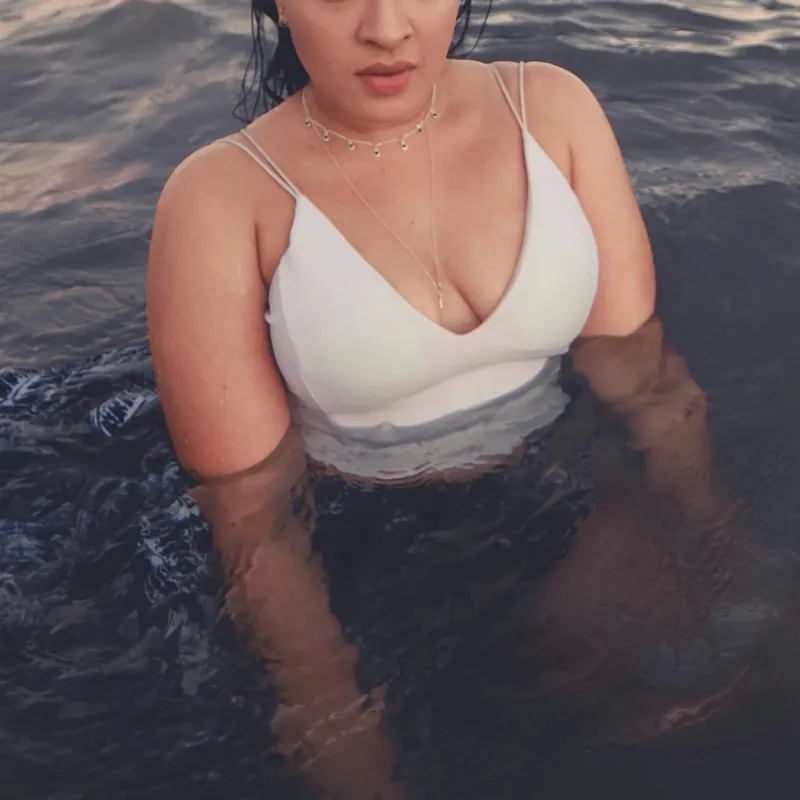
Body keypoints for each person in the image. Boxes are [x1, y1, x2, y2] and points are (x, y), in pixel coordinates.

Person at [144, 0, 742, 796]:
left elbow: (641, 370)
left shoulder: (550, 109)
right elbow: (253, 514)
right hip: (365, 547)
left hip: (553, 483)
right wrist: (326, 708)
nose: (387, 28)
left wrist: (703, 534)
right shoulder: (220, 199)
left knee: (710, 695)